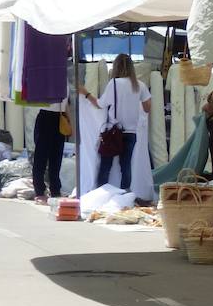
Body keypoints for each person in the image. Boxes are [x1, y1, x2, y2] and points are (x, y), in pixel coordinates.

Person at [81, 53, 151, 191]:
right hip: (131, 133)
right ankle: (126, 195)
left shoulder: (113, 84)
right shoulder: (140, 85)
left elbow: (100, 105)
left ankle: (101, 194)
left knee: (106, 166)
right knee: (126, 167)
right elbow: (147, 108)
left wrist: (86, 94)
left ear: (116, 67)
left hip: (113, 132)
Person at [30, 102, 69, 205]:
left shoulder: (67, 85)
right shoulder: (48, 85)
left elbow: (66, 104)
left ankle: (55, 189)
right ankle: (39, 190)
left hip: (60, 116)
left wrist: (68, 119)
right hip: (46, 115)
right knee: (41, 157)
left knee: (56, 157)